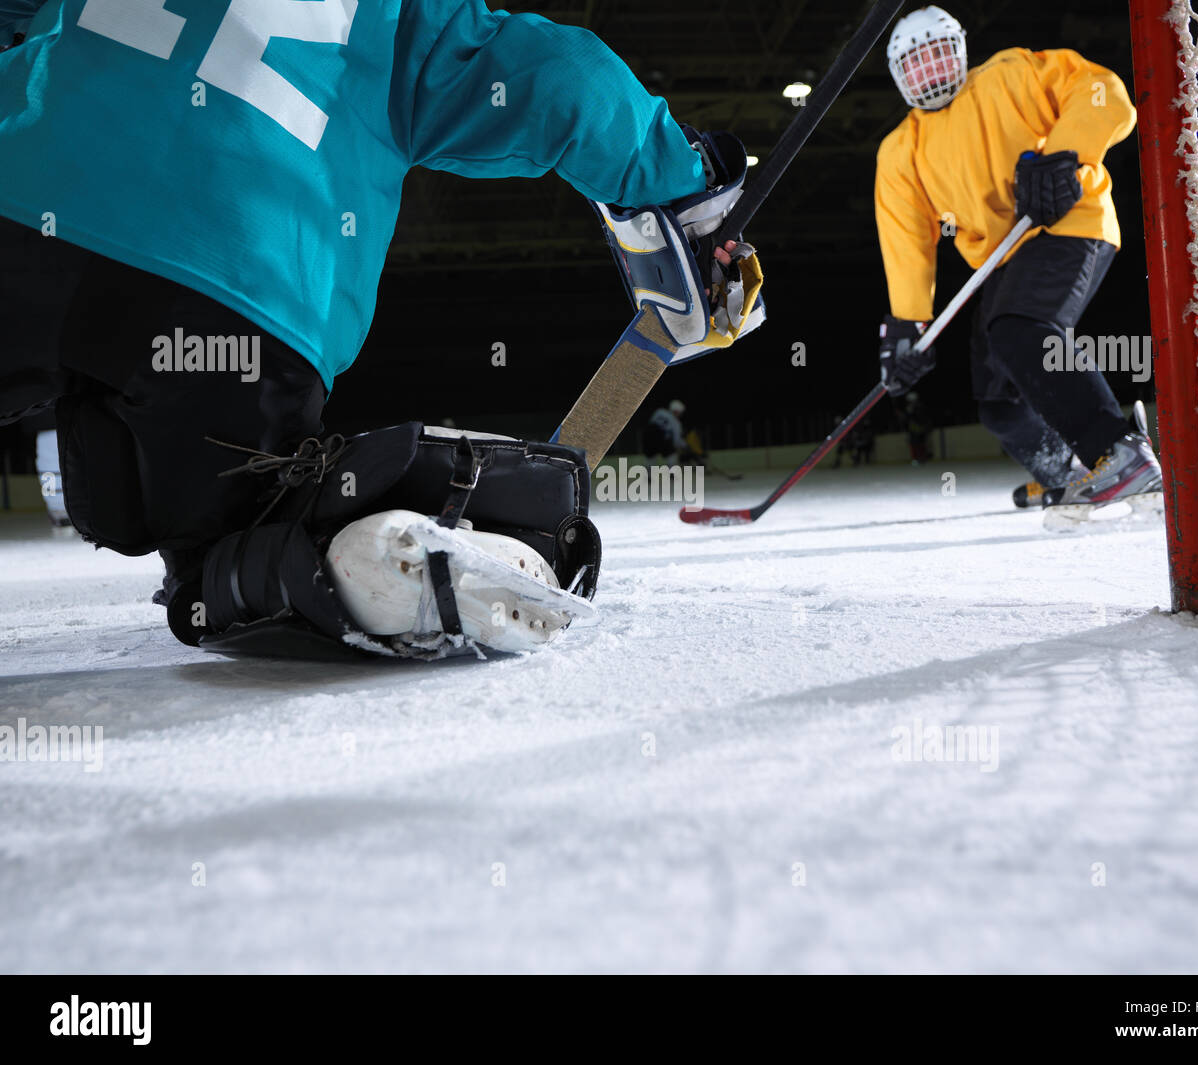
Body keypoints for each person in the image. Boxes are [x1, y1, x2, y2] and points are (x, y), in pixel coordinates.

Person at [0, 1, 755, 656]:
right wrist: (684, 190)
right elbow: (555, 80)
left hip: (23, 196)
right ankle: (323, 554)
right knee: (234, 548)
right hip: (241, 279)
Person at [873, 5, 1162, 518]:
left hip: (1068, 222)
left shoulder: (1011, 74)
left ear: (959, 51)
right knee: (999, 402)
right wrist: (907, 323)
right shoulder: (901, 149)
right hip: (1003, 259)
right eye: (915, 65)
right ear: (899, 78)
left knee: (1022, 328)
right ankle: (1066, 476)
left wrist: (1064, 154)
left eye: (938, 55)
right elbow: (907, 238)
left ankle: (1120, 451)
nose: (931, 71)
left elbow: (1103, 91)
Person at [643, 399, 701, 465]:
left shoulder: (659, 411)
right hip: (663, 439)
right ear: (677, 412)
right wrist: (685, 446)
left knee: (650, 457)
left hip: (648, 437)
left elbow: (651, 423)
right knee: (672, 455)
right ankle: (672, 473)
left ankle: (648, 473)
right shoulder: (676, 423)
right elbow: (676, 440)